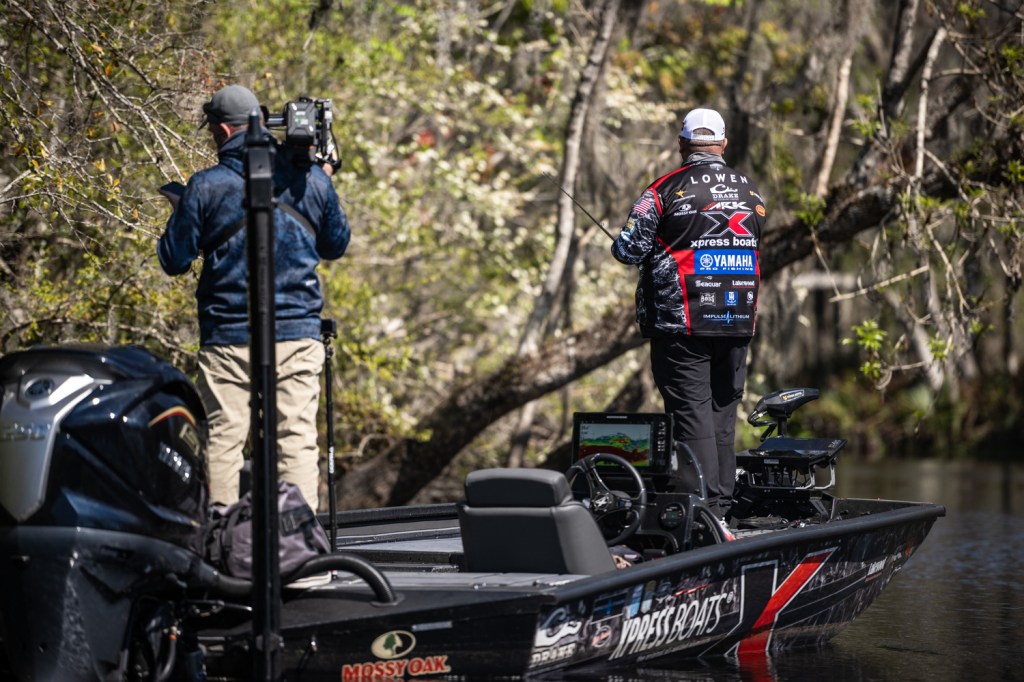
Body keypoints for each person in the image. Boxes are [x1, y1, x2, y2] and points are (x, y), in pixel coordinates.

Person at [158, 84, 350, 510]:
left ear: (222, 130)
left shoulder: (205, 186)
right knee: (295, 440)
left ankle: (219, 541)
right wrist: (322, 179)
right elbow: (335, 244)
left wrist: (182, 210)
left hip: (229, 336)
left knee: (223, 440)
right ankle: (298, 542)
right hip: (297, 333)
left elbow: (174, 259)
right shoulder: (309, 178)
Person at [611, 108, 765, 520]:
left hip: (682, 324)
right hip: (737, 321)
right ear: (723, 144)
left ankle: (704, 513)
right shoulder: (751, 192)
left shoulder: (662, 191)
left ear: (682, 144)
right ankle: (722, 507)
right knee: (721, 417)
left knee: (690, 416)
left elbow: (628, 249)